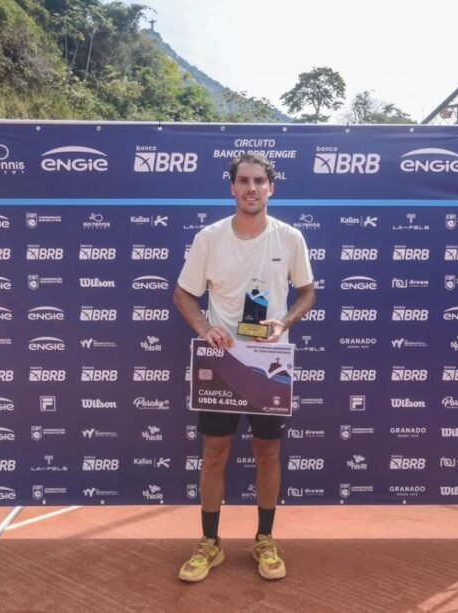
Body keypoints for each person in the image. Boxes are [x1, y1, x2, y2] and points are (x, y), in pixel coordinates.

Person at [173, 154, 316, 582]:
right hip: (222, 362)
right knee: (215, 453)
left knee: (267, 452)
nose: (251, 188)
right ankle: (210, 544)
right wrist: (203, 327)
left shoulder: (290, 238)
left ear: (271, 188)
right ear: (231, 188)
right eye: (243, 181)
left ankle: (265, 539)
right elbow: (183, 294)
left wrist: (285, 322)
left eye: (259, 181)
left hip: (270, 364)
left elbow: (308, 292)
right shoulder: (209, 238)